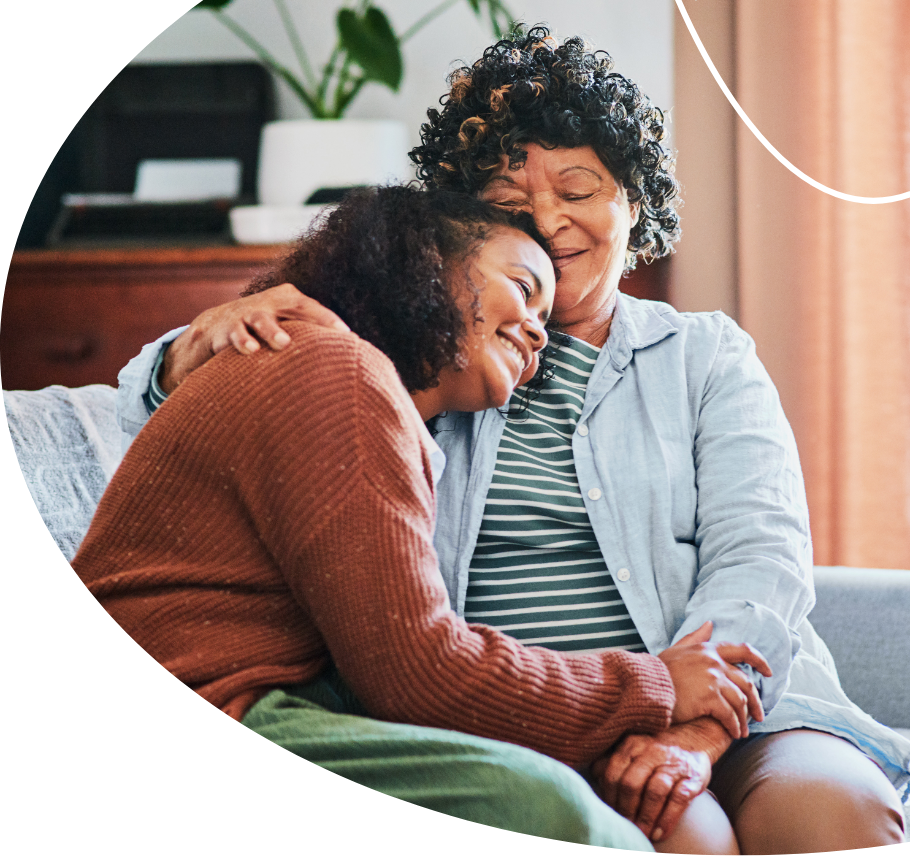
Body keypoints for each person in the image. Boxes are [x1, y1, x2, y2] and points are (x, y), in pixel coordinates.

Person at [115, 30, 909, 854]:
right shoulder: (424, 348)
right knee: (686, 837)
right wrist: (197, 341)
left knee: (831, 815)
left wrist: (692, 733)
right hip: (531, 718)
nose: (548, 218)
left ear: (634, 202)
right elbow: (222, 394)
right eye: (509, 200)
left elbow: (762, 563)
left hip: (736, 710)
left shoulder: (705, 356)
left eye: (580, 188)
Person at [75, 185, 777, 849]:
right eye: (523, 289)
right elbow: (420, 673)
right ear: (426, 265)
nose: (537, 331)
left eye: (543, 316)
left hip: (275, 698)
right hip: (229, 699)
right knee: (558, 812)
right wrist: (655, 683)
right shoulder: (336, 372)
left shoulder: (359, 384)